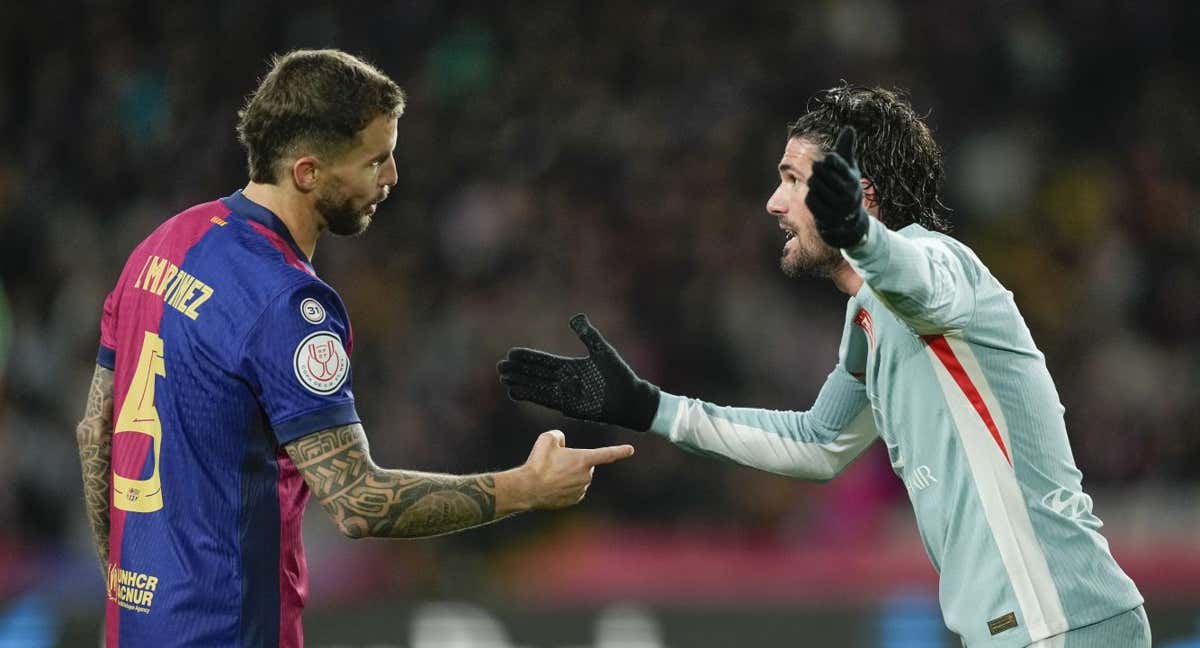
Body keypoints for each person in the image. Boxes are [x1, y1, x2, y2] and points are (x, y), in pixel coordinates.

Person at [497, 85, 1148, 647]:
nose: (773, 205)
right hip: (1027, 629)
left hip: (1065, 622)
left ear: (855, 194)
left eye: (791, 180)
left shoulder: (946, 267)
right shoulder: (870, 315)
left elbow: (918, 278)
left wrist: (861, 235)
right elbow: (820, 443)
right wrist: (649, 407)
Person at [74, 48, 634, 648]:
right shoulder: (287, 304)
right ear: (308, 172)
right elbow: (358, 503)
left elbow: (93, 434)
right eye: (375, 161)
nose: (391, 178)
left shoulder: (158, 248)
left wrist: (123, 584)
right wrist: (525, 487)